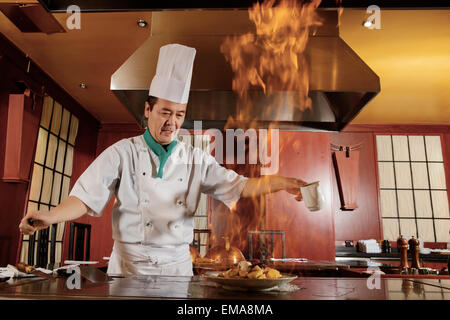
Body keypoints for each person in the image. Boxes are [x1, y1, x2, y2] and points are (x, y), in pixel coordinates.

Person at [19, 44, 307, 276]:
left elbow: (242, 186)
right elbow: (84, 197)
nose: (172, 122)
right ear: (147, 109)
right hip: (129, 267)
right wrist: (49, 216)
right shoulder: (123, 152)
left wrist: (283, 182)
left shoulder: (196, 159)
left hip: (176, 268)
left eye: (179, 115)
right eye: (165, 112)